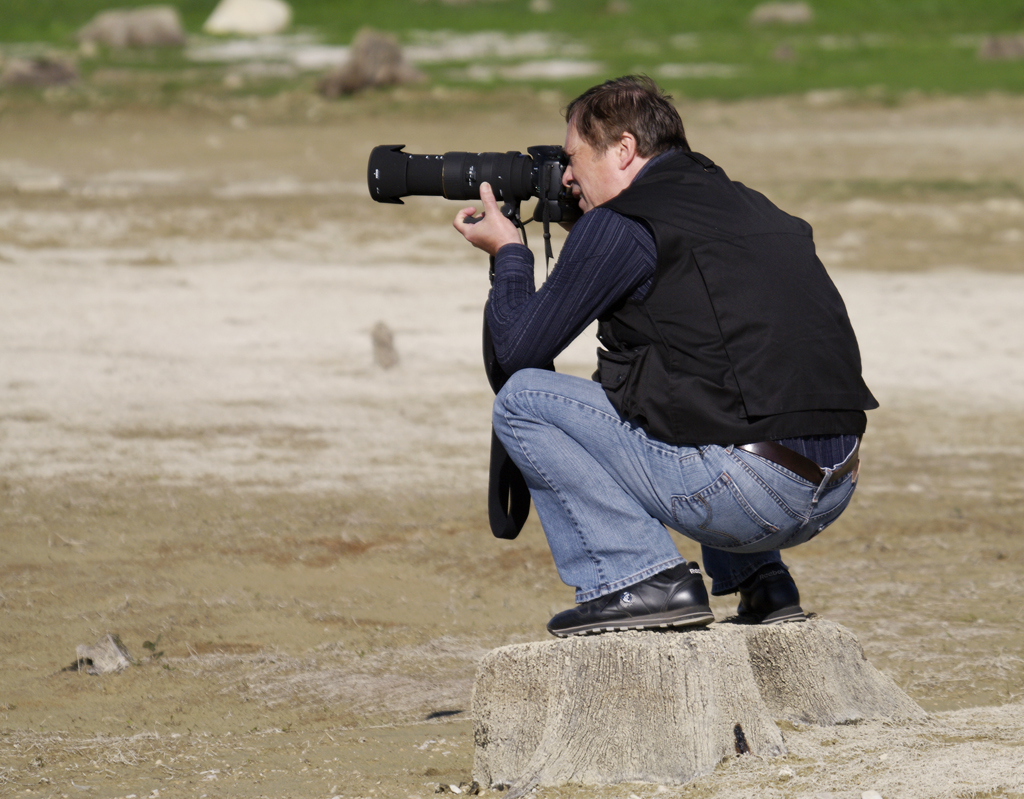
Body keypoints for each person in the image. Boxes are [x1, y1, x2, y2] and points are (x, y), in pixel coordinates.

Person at [453, 75, 877, 638]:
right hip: (835, 483)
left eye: (573, 157)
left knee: (524, 402)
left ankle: (637, 579)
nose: (567, 175)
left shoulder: (624, 224)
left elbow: (518, 353)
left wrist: (510, 253)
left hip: (751, 495)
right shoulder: (749, 204)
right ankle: (764, 584)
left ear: (624, 149)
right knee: (700, 384)